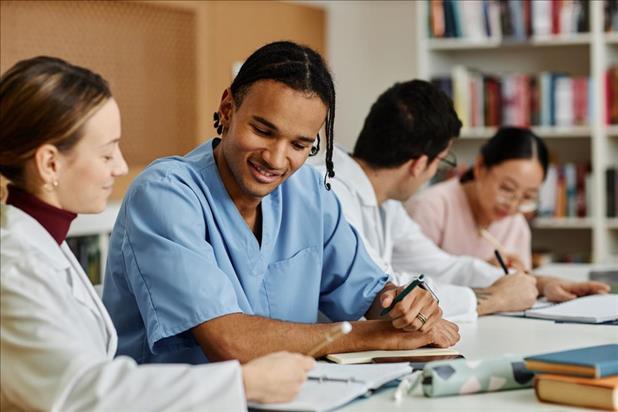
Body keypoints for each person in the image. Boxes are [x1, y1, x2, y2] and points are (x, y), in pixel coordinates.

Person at [102, 41, 460, 366]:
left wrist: (405, 307)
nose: (276, 159)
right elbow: (229, 342)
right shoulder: (165, 194)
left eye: (299, 145)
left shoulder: (308, 192)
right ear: (228, 109)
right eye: (263, 130)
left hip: (294, 396)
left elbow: (369, 293)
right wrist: (374, 335)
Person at [0, 56, 316, 411]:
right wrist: (243, 383)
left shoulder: (43, 246)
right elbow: (80, 391)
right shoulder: (13, 266)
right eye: (106, 155)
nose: (120, 167)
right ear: (49, 164)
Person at [312, 80, 546, 319]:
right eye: (442, 160)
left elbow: (440, 266)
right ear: (420, 164)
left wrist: (529, 283)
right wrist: (496, 298)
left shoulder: (387, 203)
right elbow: (385, 295)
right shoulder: (327, 192)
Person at [407, 126, 609, 302]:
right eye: (507, 189)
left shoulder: (515, 221)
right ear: (479, 167)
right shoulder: (431, 207)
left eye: (528, 196)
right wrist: (482, 273)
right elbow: (409, 284)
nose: (513, 205)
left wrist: (544, 285)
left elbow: (519, 286)